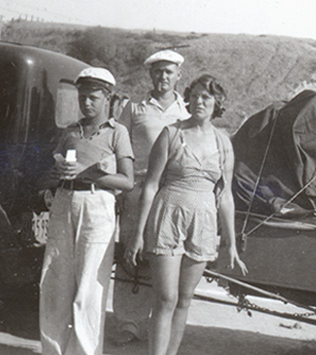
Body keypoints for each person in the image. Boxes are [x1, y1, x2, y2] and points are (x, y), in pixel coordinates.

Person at [126, 74, 247, 355]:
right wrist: (138, 234)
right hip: (168, 217)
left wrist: (230, 242)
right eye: (194, 96)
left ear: (218, 103)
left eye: (206, 97)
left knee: (184, 299)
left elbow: (225, 195)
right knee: (166, 298)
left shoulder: (223, 142)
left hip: (203, 223)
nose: (198, 101)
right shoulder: (171, 133)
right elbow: (151, 185)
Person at [39, 67, 134, 355]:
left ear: (107, 98)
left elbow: (127, 181)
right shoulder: (71, 131)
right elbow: (57, 171)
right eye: (82, 97)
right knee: (54, 282)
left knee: (90, 288)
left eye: (93, 97)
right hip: (65, 203)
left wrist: (89, 174)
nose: (86, 103)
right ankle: (52, 350)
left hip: (97, 206)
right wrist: (52, 183)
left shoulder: (118, 133)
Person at [112, 49, 190, 345]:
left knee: (164, 257)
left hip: (172, 192)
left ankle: (155, 324)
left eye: (169, 72)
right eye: (158, 71)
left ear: (178, 75)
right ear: (150, 75)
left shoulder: (186, 110)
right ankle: (126, 323)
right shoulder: (134, 108)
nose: (163, 77)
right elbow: (118, 147)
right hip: (138, 188)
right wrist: (121, 189)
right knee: (131, 254)